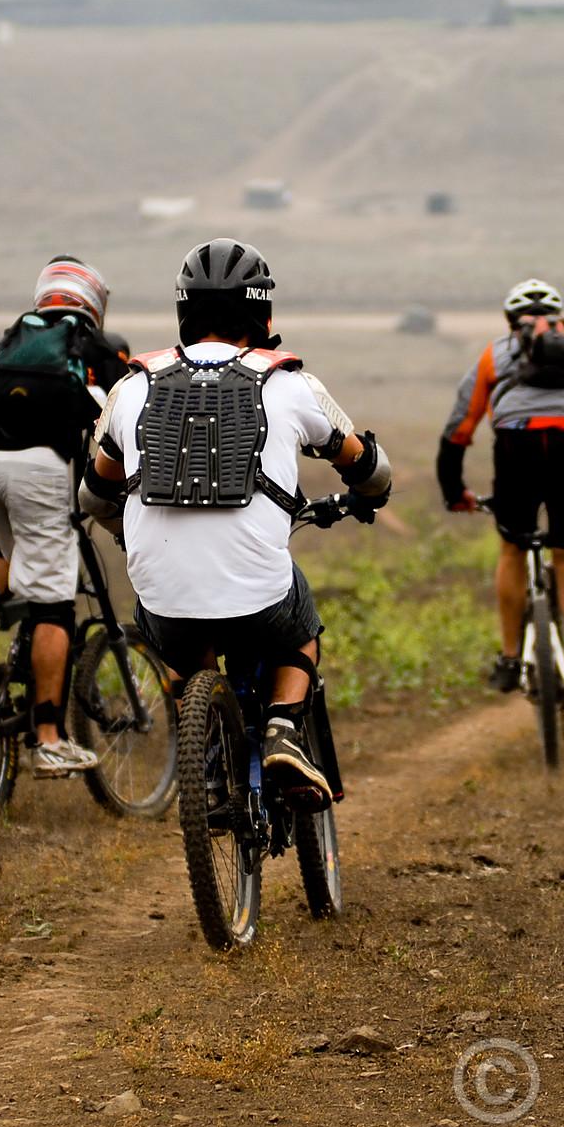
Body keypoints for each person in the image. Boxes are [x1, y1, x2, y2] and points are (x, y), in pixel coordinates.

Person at [79, 238, 393, 799]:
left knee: (181, 644)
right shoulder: (290, 383)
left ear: (184, 312)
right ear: (262, 312)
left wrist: (132, 536)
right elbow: (367, 466)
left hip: (163, 598)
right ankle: (282, 732)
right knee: (301, 630)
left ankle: (208, 752)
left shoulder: (131, 386)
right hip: (261, 602)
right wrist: (371, 491)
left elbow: (95, 495)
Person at [0, 254, 130, 775]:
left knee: (17, 550)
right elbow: (125, 420)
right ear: (92, 300)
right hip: (41, 471)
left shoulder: (11, 342)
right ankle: (49, 736)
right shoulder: (91, 346)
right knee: (54, 604)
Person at [437, 279, 564, 706]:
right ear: (560, 317)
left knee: (513, 548)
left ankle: (511, 659)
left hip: (519, 447)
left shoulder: (495, 355)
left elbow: (457, 433)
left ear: (510, 321)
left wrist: (455, 492)